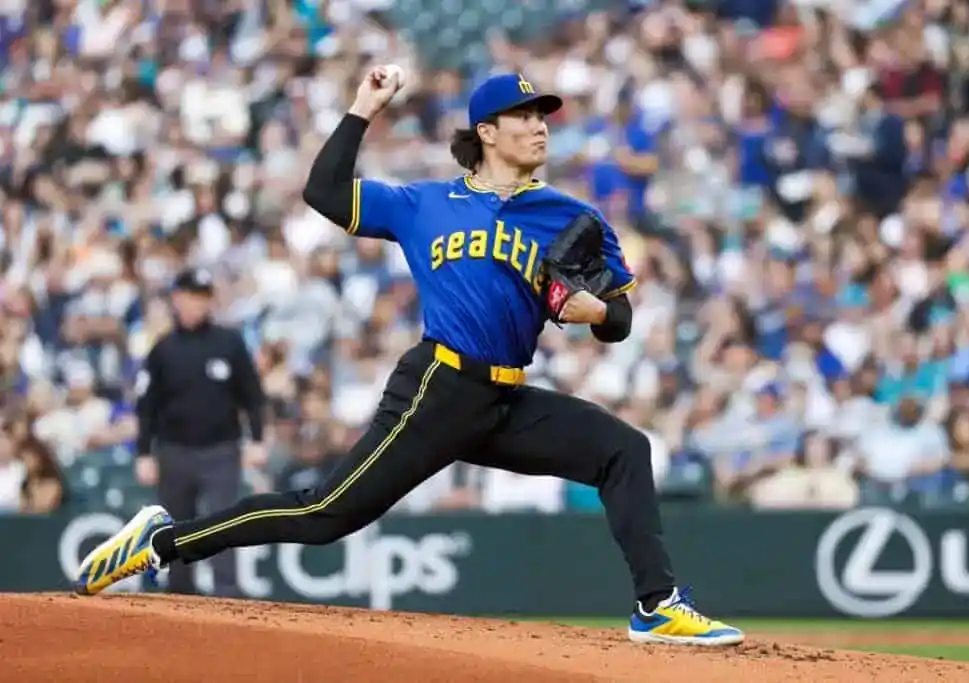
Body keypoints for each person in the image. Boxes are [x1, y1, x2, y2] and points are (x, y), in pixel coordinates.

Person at [74, 67, 744, 647]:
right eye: (524, 115)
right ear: (486, 131)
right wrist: (362, 109)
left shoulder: (570, 217)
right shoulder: (427, 203)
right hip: (437, 386)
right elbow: (325, 195)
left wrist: (597, 312)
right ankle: (163, 540)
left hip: (504, 399)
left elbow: (619, 319)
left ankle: (657, 606)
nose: (541, 126)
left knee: (622, 448)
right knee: (324, 514)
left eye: (544, 116)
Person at [131, 268, 267, 597]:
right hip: (175, 451)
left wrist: (258, 439)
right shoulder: (163, 349)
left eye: (202, 298)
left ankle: (227, 596)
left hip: (221, 450)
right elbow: (147, 404)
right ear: (177, 299)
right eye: (190, 297)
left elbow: (252, 395)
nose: (196, 305)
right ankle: (180, 598)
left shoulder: (230, 343)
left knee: (223, 522)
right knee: (176, 527)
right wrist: (144, 453)